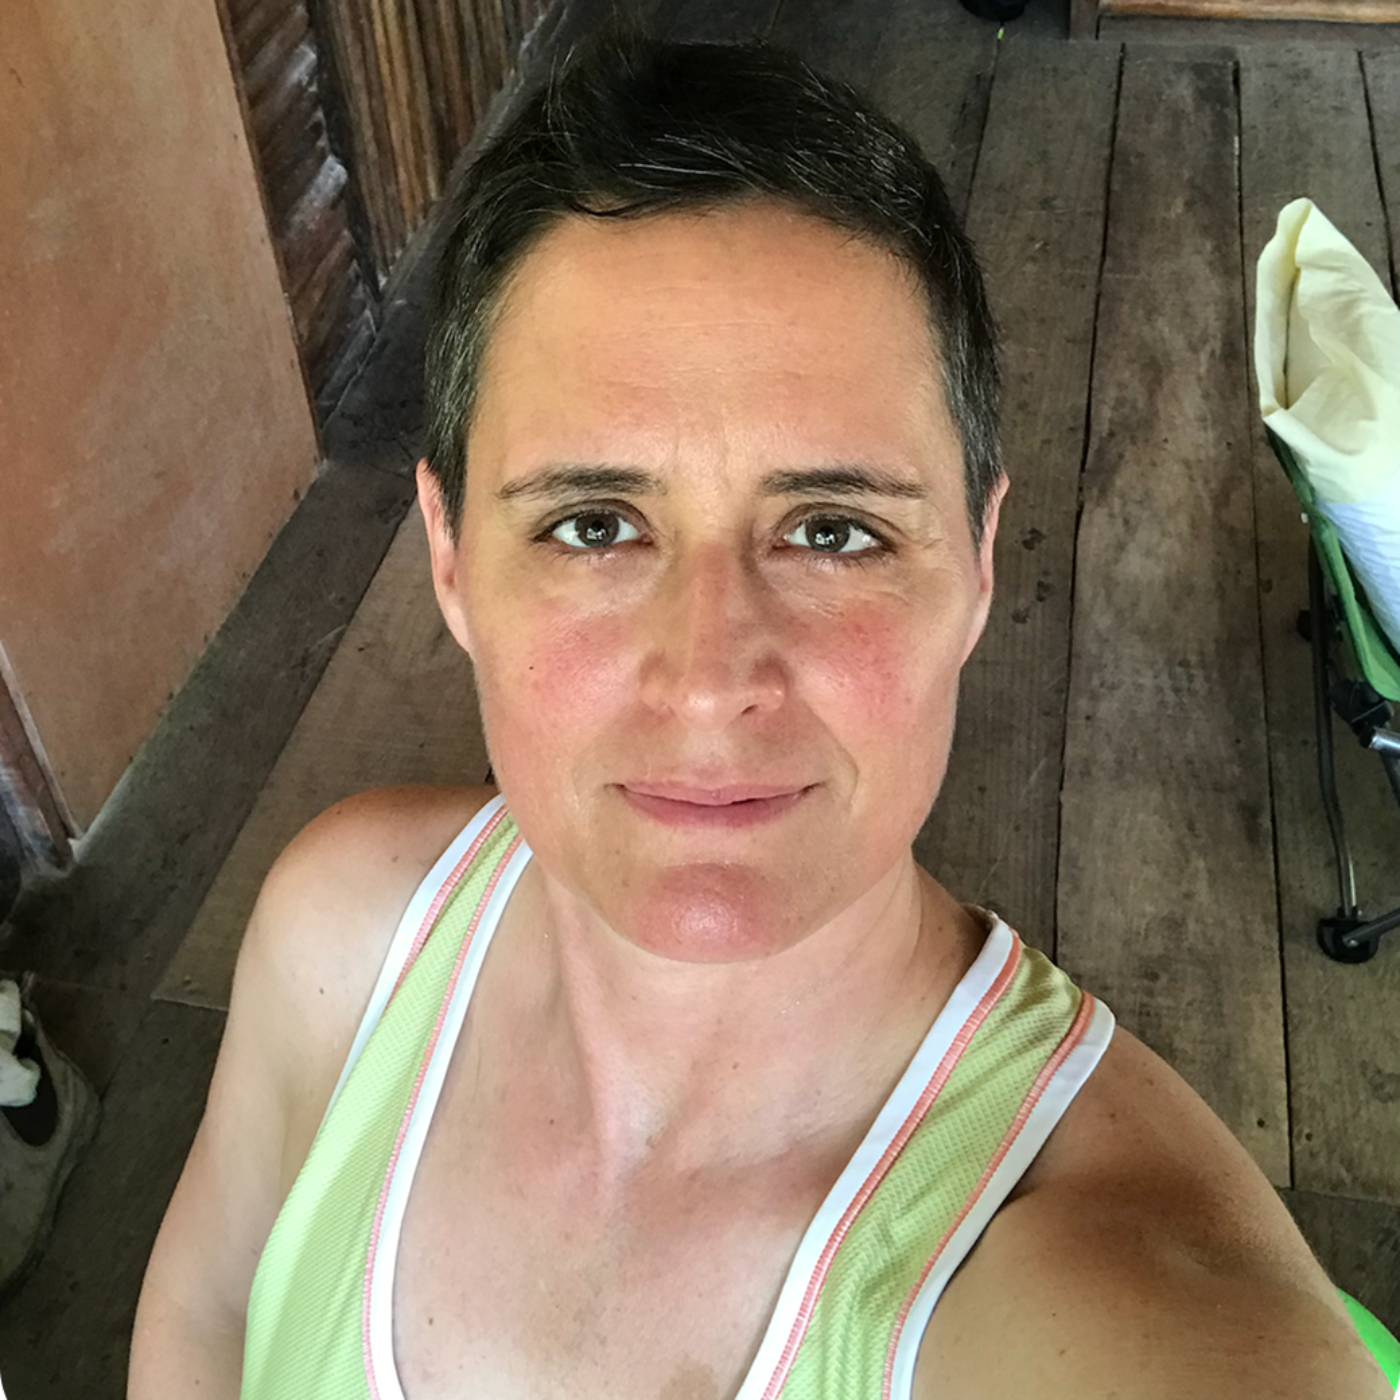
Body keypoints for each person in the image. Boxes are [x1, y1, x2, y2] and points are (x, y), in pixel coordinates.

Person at [128, 20, 1392, 1400]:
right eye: (594, 524)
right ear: (449, 558)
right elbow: (206, 1309)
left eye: (833, 531)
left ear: (977, 566)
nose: (710, 679)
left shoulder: (1112, 1295)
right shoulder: (344, 937)